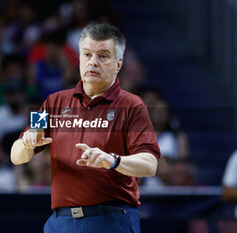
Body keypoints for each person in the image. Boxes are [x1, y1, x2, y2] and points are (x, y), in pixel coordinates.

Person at [10, 23, 160, 233]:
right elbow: (17, 156)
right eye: (87, 54)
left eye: (103, 56)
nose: (93, 62)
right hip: (60, 223)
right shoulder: (53, 103)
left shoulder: (132, 105)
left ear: (118, 64)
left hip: (110, 221)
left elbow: (149, 164)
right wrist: (27, 141)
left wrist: (112, 160)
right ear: (79, 59)